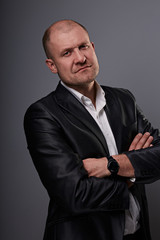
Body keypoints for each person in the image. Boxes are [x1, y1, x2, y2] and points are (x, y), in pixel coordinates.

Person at [24, 19, 160, 240]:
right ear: (52, 65)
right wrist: (130, 171)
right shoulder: (42, 115)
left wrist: (109, 165)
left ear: (93, 48)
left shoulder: (124, 99)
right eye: (67, 53)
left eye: (83, 46)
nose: (80, 58)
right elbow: (74, 195)